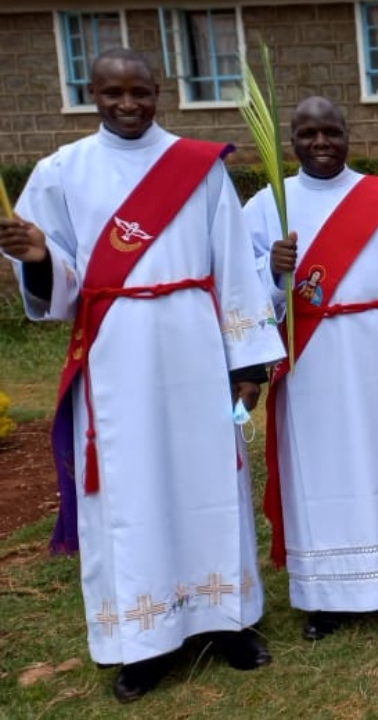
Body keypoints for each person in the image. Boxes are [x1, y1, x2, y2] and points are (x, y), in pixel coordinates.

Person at [0, 49, 283, 702]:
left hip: (194, 342)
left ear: (160, 92)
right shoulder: (60, 172)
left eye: (139, 92)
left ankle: (226, 620)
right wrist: (40, 256)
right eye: (111, 93)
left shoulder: (199, 168)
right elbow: (58, 280)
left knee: (210, 474)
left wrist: (247, 362)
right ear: (90, 93)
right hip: (116, 351)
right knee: (130, 494)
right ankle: (142, 639)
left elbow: (234, 263)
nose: (127, 105)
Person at [243, 97, 378, 641]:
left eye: (330, 131)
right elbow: (240, 285)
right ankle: (323, 595)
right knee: (317, 472)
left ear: (346, 135)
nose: (320, 142)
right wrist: (271, 269)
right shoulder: (270, 203)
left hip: (374, 348)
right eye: (308, 133)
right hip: (308, 359)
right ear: (291, 140)